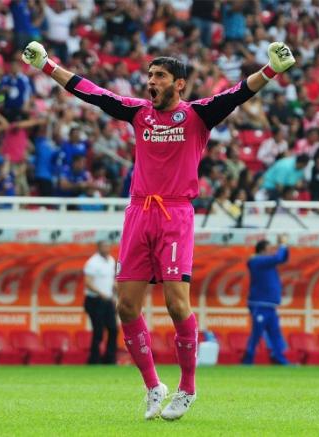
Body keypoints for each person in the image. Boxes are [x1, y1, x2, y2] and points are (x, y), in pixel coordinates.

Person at [21, 38, 295, 420]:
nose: (151, 81)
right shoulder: (138, 113)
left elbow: (236, 94)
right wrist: (47, 66)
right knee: (126, 305)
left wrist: (272, 71)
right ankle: (153, 386)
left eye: (160, 76)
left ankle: (187, 388)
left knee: (175, 303)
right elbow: (93, 93)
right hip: (138, 213)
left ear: (178, 84)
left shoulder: (198, 115)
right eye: (150, 75)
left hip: (175, 214)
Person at [242, 236, 290, 365]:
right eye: (270, 249)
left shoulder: (266, 261)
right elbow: (278, 257)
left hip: (270, 305)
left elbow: (283, 258)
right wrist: (283, 245)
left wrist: (284, 246)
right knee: (257, 333)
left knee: (275, 333)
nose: (272, 251)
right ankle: (247, 360)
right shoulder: (257, 261)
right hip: (259, 304)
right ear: (262, 250)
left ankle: (279, 358)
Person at [83, 241, 118, 365]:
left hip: (108, 300)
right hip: (95, 300)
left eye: (108, 246)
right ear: (98, 247)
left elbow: (110, 281)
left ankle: (110, 359)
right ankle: (94, 360)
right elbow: (88, 282)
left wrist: (115, 292)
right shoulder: (92, 263)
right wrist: (100, 293)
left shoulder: (111, 261)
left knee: (113, 329)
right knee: (98, 331)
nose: (107, 248)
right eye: (104, 246)